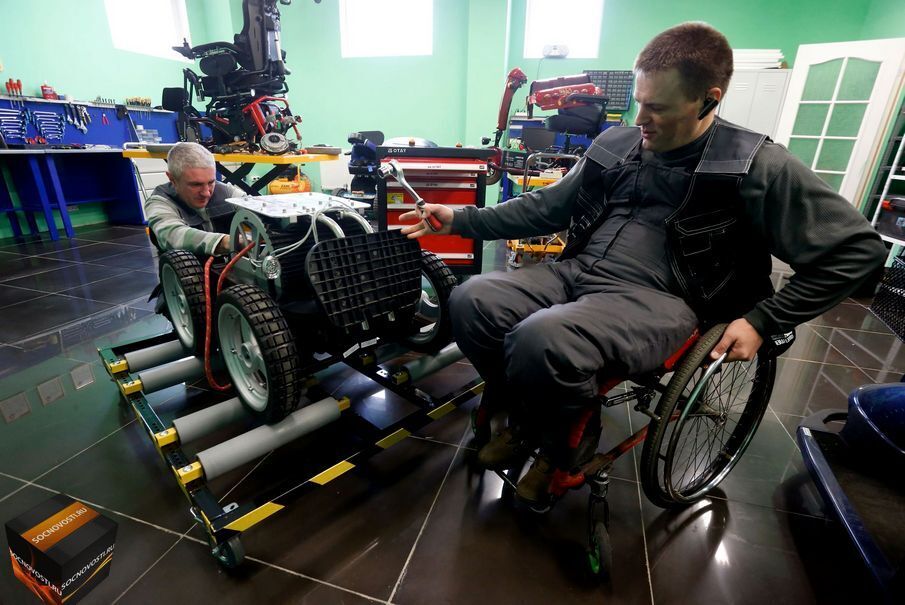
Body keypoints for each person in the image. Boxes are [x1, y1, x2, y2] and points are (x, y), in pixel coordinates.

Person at [399, 22, 887, 506]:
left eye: (658, 108)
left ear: (708, 100)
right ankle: (535, 418)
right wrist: (461, 219)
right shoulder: (617, 144)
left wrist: (764, 320)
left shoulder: (756, 165)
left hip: (665, 299)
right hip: (578, 272)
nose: (641, 118)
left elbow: (857, 252)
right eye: (639, 102)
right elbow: (547, 207)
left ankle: (559, 444)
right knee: (471, 300)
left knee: (542, 337)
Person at [144, 142, 246, 256]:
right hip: (185, 265)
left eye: (211, 182)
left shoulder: (227, 192)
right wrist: (225, 242)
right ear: (172, 179)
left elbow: (256, 208)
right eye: (196, 184)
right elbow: (173, 235)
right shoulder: (160, 202)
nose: (206, 193)